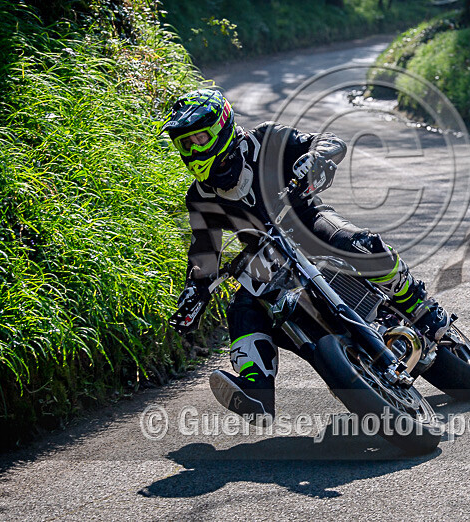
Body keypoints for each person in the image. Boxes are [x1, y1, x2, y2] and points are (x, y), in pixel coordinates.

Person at [164, 88, 450, 423]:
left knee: (357, 242)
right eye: (185, 143)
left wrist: (315, 158)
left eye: (199, 138)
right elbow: (204, 250)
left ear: (223, 126)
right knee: (242, 307)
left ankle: (419, 306)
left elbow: (329, 141)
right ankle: (257, 391)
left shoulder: (265, 140)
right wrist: (194, 291)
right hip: (266, 253)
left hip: (307, 220)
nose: (193, 149)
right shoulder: (199, 198)